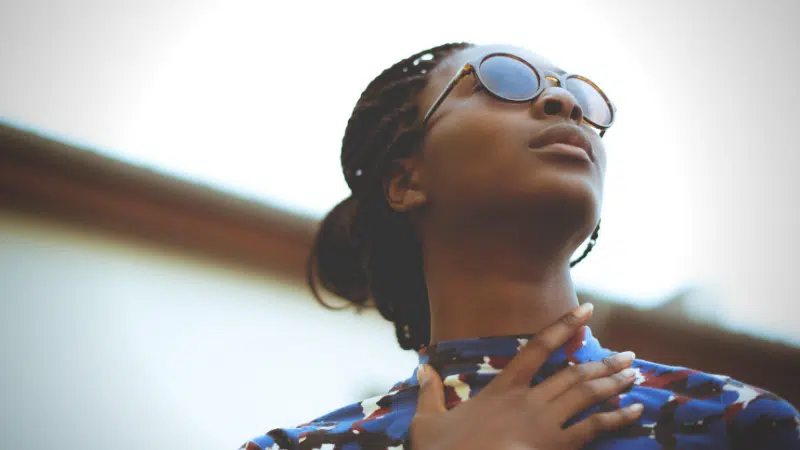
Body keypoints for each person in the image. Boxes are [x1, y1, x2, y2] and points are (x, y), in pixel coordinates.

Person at [241, 42, 800, 449]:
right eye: (503, 80)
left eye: (575, 92)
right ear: (407, 181)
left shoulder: (744, 425)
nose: (565, 104)